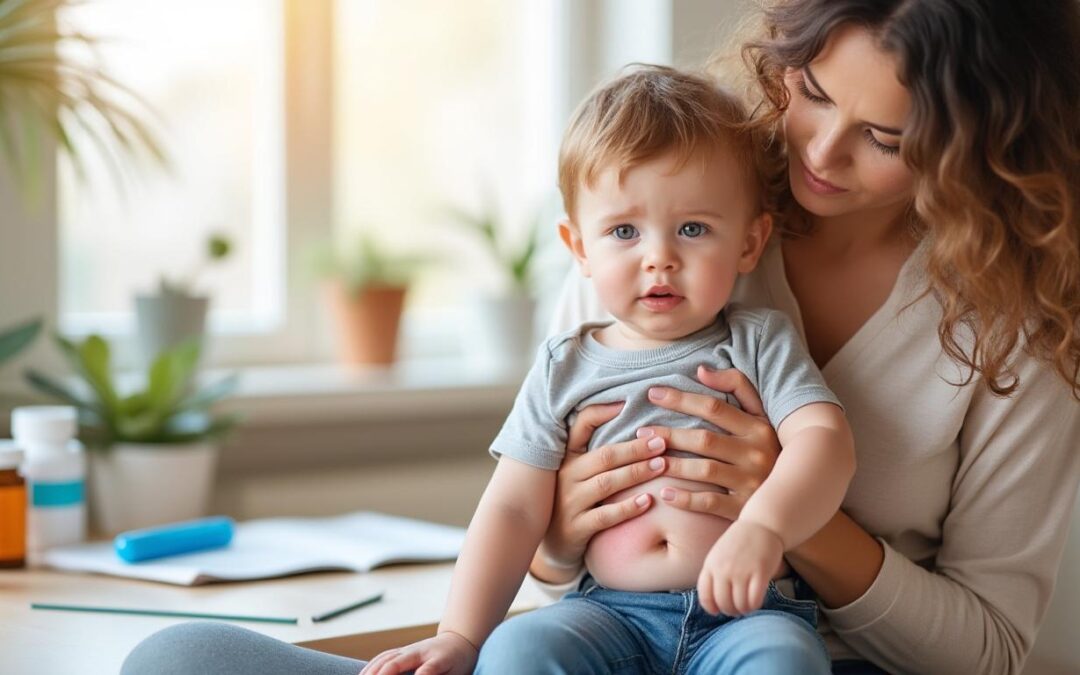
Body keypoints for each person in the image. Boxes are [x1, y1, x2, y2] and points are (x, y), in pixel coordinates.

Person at [121, 2, 1080, 673]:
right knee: (182, 655)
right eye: (817, 91)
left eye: (887, 136)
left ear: (974, 144)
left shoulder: (1012, 325)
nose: (819, 153)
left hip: (803, 650)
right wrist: (557, 540)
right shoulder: (660, 204)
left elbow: (987, 652)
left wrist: (780, 516)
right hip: (606, 627)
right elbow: (532, 538)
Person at [362, 64, 854, 675]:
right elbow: (513, 509)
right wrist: (460, 636)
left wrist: (766, 529)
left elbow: (824, 441)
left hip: (750, 617)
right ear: (580, 250)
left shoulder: (759, 340)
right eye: (624, 230)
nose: (660, 259)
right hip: (608, 615)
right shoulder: (563, 364)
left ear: (750, 245)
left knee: (786, 661)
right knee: (517, 650)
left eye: (693, 229)